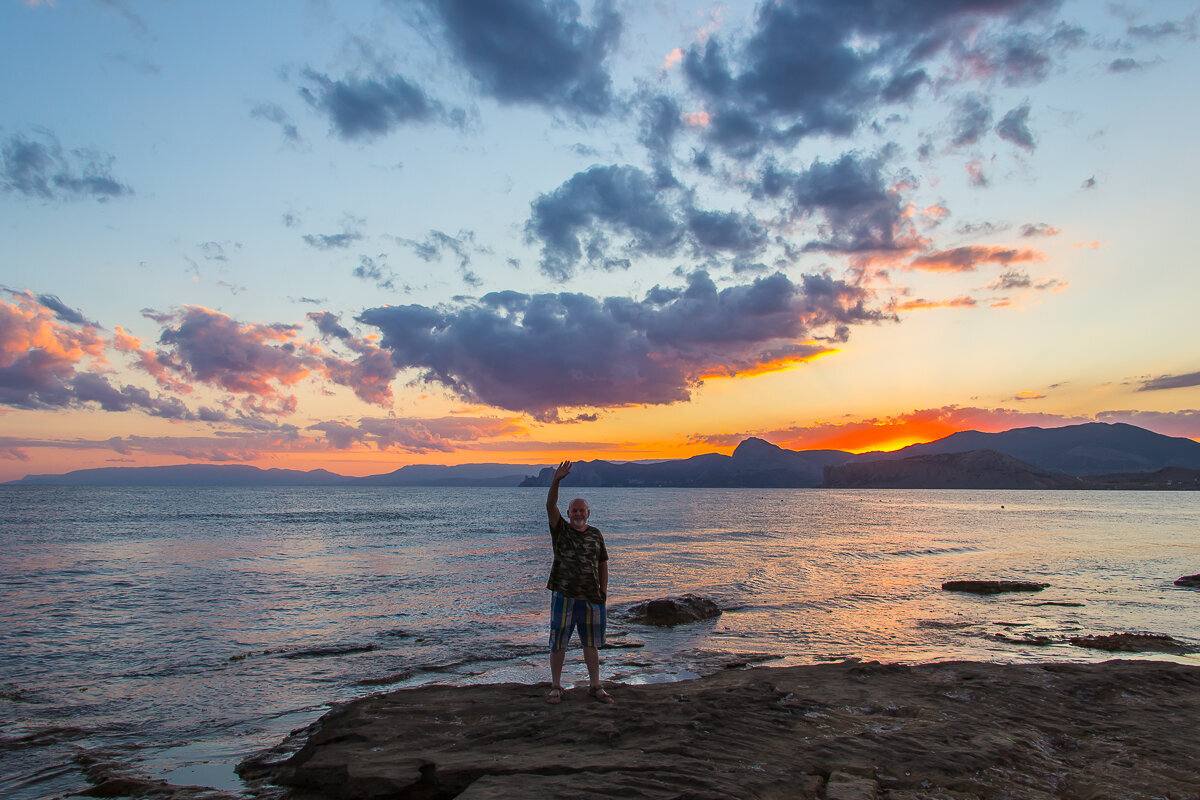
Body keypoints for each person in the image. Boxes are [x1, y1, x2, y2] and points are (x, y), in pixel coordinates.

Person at [544, 460, 613, 704]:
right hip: (564, 595)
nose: (578, 514)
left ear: (588, 513)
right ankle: (555, 686)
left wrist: (603, 591)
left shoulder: (596, 534)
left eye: (582, 510)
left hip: (591, 598)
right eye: (574, 510)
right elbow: (550, 505)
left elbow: (603, 563)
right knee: (558, 642)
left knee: (591, 644)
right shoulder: (560, 529)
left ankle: (595, 686)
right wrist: (556, 480)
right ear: (569, 513)